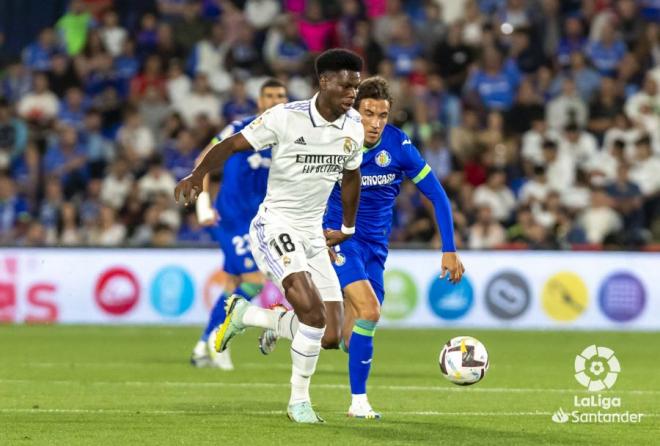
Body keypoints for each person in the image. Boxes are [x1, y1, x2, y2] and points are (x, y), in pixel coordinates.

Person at [175, 49, 365, 423]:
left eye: (355, 88)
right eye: (345, 85)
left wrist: (347, 227)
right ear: (324, 81)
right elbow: (230, 145)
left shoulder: (354, 126)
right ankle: (299, 402)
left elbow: (351, 176)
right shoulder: (285, 118)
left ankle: (248, 315)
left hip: (314, 232)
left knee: (329, 335)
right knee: (310, 313)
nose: (351, 94)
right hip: (276, 224)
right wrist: (198, 176)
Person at [259, 76, 465, 418]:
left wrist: (449, 248)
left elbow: (437, 195)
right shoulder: (333, 140)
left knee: (340, 338)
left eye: (382, 115)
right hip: (339, 241)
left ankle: (279, 321)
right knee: (370, 309)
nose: (375, 122)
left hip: (375, 249)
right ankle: (358, 403)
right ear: (355, 110)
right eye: (368, 113)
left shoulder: (399, 147)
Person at [189, 78, 288, 370]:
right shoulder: (238, 128)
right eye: (268, 96)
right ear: (259, 102)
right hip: (231, 218)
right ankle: (220, 338)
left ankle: (201, 348)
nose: (274, 100)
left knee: (232, 284)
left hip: (261, 221)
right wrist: (202, 203)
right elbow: (203, 157)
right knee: (256, 281)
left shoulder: (290, 136)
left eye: (280, 95)